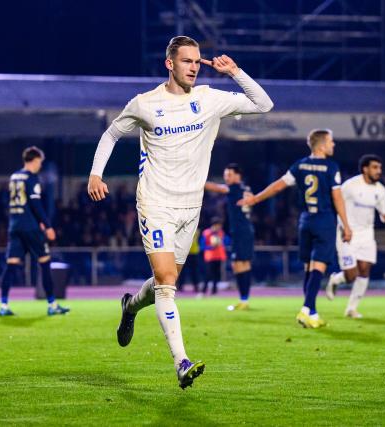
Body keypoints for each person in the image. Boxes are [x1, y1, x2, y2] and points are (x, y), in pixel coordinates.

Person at [87, 35, 273, 389]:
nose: (193, 67)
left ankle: (130, 306)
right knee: (167, 282)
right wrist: (96, 173)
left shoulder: (210, 99)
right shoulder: (145, 104)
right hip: (156, 202)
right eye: (186, 61)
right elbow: (111, 134)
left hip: (192, 206)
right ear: (169, 63)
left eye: (197, 61)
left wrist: (234, 72)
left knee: (165, 280)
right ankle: (181, 361)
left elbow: (263, 104)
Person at [239, 129, 351, 329]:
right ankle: (306, 309)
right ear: (322, 145)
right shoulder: (331, 167)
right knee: (319, 267)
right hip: (324, 220)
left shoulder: (299, 165)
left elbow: (277, 187)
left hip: (305, 220)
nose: (334, 145)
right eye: (331, 142)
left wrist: (255, 199)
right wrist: (346, 224)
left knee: (309, 267)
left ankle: (313, 313)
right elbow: (337, 197)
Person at [0, 146, 70, 317]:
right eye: (40, 162)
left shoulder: (14, 176)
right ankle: (52, 304)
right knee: (45, 263)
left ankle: (3, 305)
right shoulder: (31, 178)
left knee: (11, 266)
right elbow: (35, 204)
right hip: (30, 227)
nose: (40, 165)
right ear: (35, 160)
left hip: (15, 226)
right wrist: (47, 225)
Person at [326, 154, 385, 318]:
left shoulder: (380, 189)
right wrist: (342, 225)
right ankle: (336, 280)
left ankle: (351, 308)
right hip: (347, 233)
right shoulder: (351, 185)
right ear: (365, 169)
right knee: (351, 275)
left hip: (367, 234)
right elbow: (336, 201)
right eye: (375, 167)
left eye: (380, 168)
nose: (379, 171)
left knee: (364, 270)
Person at [205, 163, 254, 310]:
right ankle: (244, 299)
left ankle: (243, 300)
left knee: (238, 264)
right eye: (225, 175)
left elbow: (218, 188)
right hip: (246, 229)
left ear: (238, 176)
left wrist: (196, 180)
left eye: (229, 175)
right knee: (243, 264)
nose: (226, 178)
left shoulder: (235, 188)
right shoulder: (246, 188)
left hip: (240, 230)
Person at [199, 218, 229, 296]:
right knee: (208, 274)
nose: (220, 227)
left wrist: (222, 243)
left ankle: (214, 292)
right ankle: (203, 291)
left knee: (217, 275)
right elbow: (202, 246)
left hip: (219, 257)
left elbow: (227, 241)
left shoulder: (221, 233)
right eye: (219, 225)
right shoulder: (206, 233)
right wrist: (211, 247)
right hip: (209, 257)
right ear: (214, 225)